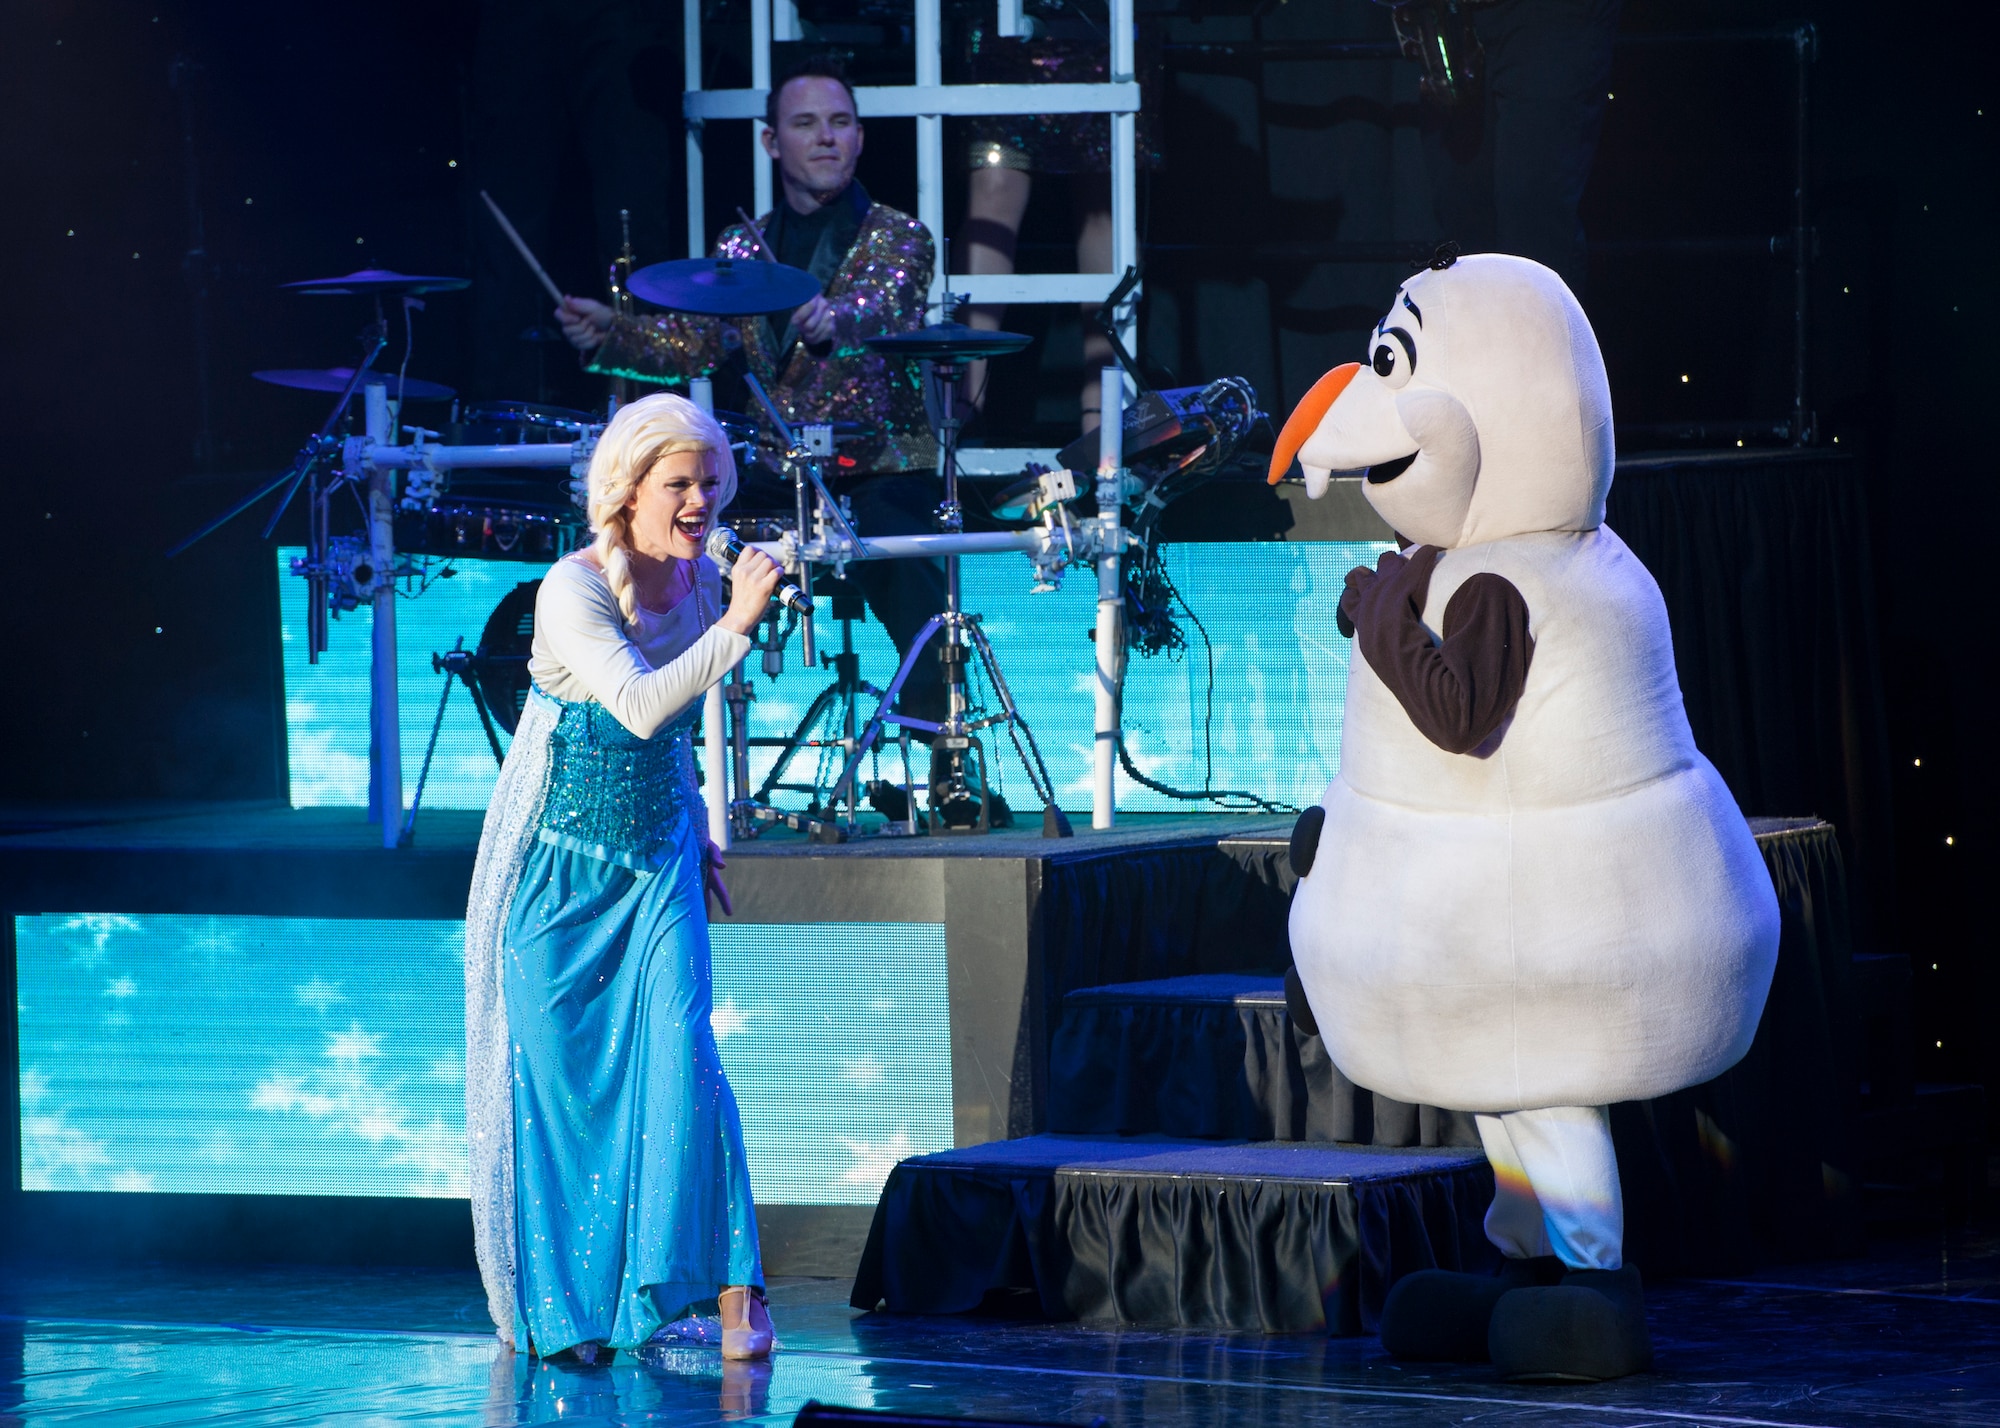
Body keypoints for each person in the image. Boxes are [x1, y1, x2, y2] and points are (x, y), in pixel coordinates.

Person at [463, 392, 786, 1364]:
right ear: (628, 489)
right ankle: (570, 1311)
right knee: (559, 1093)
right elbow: (640, 705)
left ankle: (735, 1293)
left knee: (686, 1059)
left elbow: (672, 738)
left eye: (710, 483)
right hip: (557, 877)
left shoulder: (698, 580)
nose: (701, 502)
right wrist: (738, 623)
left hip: (657, 865)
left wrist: (696, 825)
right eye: (679, 484)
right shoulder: (572, 589)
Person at [556, 62, 950, 737]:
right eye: (806, 124)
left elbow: (883, 309)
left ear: (859, 138)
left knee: (920, 600)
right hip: (779, 468)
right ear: (772, 142)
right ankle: (679, 736)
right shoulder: (742, 246)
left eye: (841, 123)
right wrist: (613, 335)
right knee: (675, 545)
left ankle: (939, 756)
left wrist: (836, 322)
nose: (826, 137)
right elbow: (698, 343)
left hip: (881, 467)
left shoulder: (900, 236)